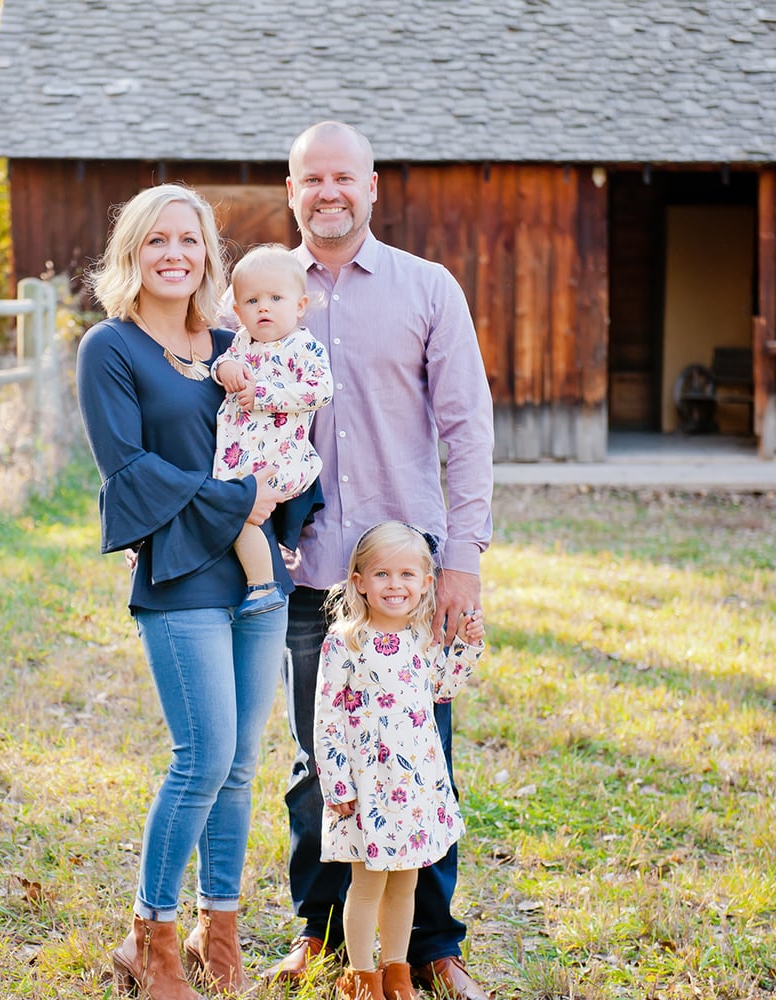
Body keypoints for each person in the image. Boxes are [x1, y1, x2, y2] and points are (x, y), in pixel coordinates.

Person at [259, 121, 495, 1000]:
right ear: (292, 190)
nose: (328, 192)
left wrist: (462, 559)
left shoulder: (427, 289)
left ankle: (432, 946)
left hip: (407, 576)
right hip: (305, 568)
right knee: (319, 763)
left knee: (422, 753)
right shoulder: (263, 293)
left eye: (344, 177)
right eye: (311, 178)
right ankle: (322, 937)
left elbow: (469, 428)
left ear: (371, 187)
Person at [75, 183, 290, 1000]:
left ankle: (219, 933)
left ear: (209, 253)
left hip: (259, 574)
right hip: (180, 575)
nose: (174, 253)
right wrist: (238, 498)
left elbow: (284, 429)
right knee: (200, 759)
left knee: (239, 767)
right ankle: (151, 943)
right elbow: (129, 471)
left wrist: (286, 508)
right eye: (156, 240)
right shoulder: (112, 348)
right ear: (131, 252)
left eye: (189, 240)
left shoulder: (237, 340)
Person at [315, 521, 485, 1000]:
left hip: (414, 788)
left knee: (405, 885)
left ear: (426, 584)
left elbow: (443, 689)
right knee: (367, 886)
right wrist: (338, 784)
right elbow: (326, 718)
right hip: (368, 787)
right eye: (383, 574)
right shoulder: (346, 641)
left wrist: (467, 646)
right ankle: (362, 977)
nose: (395, 585)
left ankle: (397, 972)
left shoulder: (421, 641)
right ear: (359, 582)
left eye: (407, 575)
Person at [212, 244, 333, 619]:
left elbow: (321, 389)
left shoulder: (304, 346)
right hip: (241, 453)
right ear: (237, 312)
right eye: (252, 300)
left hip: (280, 456)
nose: (263, 307)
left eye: (275, 298)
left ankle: (263, 585)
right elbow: (224, 363)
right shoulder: (242, 343)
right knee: (234, 514)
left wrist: (262, 393)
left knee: (243, 514)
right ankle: (264, 567)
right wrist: (224, 370)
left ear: (299, 306)